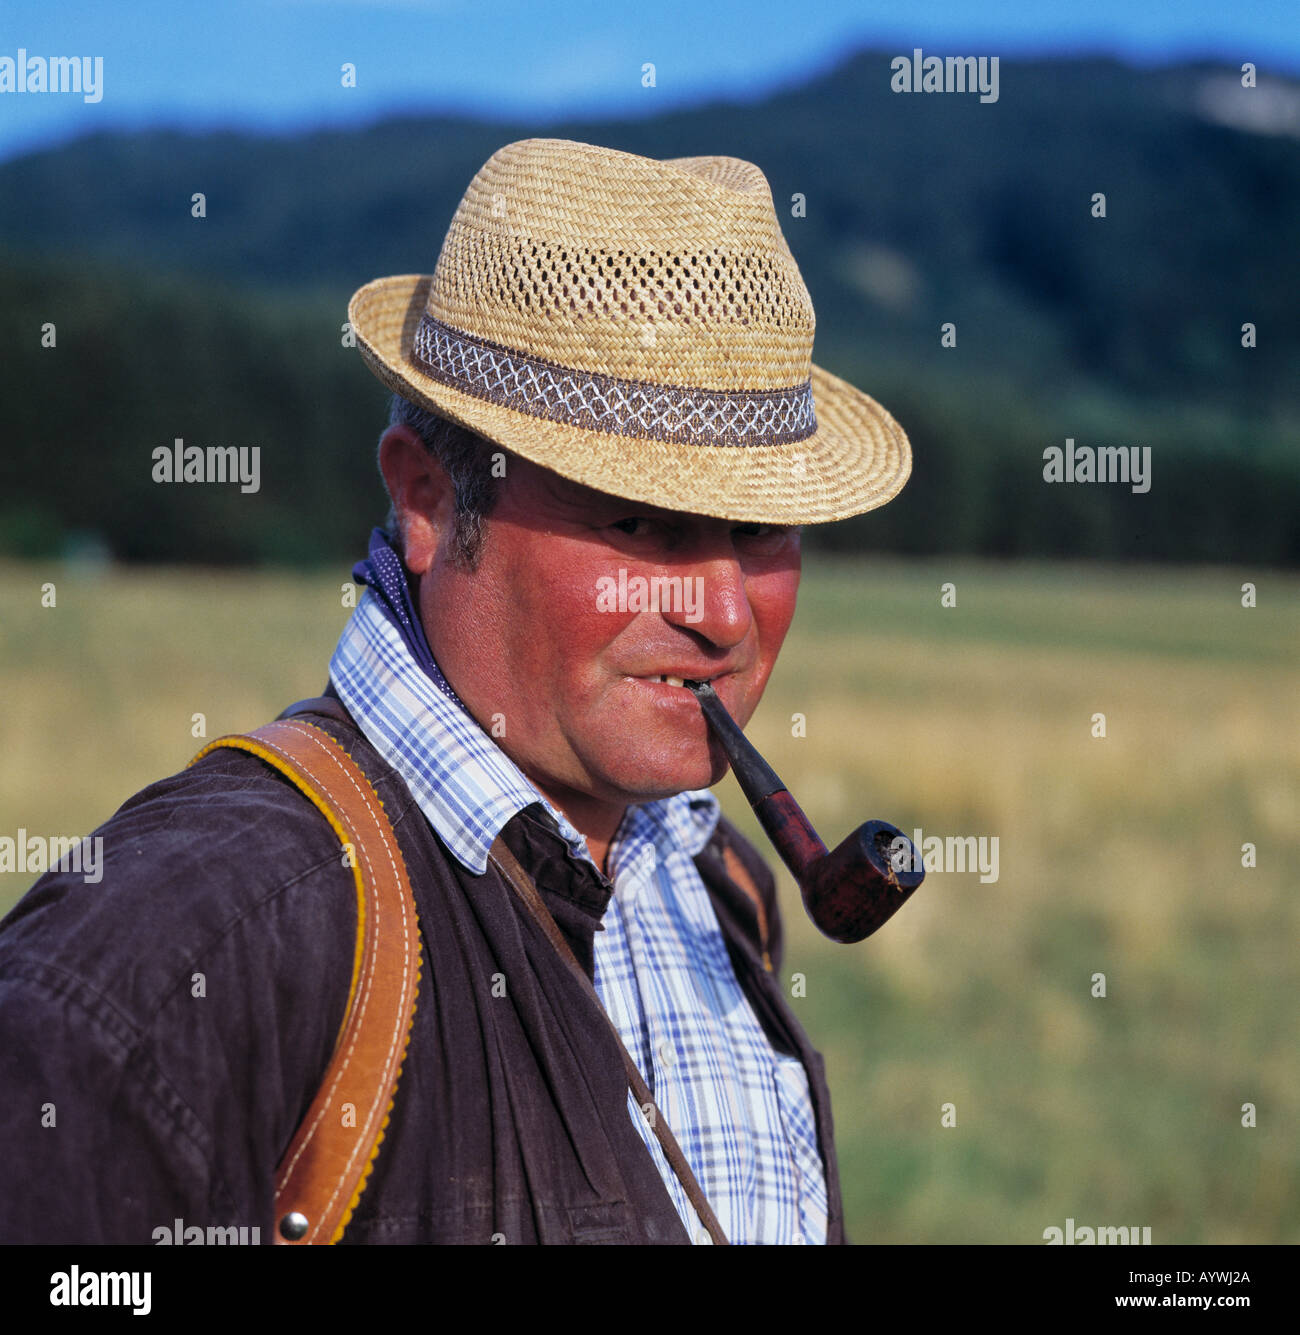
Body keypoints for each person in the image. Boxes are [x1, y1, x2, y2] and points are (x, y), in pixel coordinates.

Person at [0, 137, 912, 1245]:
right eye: (637, 522)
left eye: (759, 529)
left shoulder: (720, 886)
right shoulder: (181, 949)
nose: (723, 617)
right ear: (428, 499)